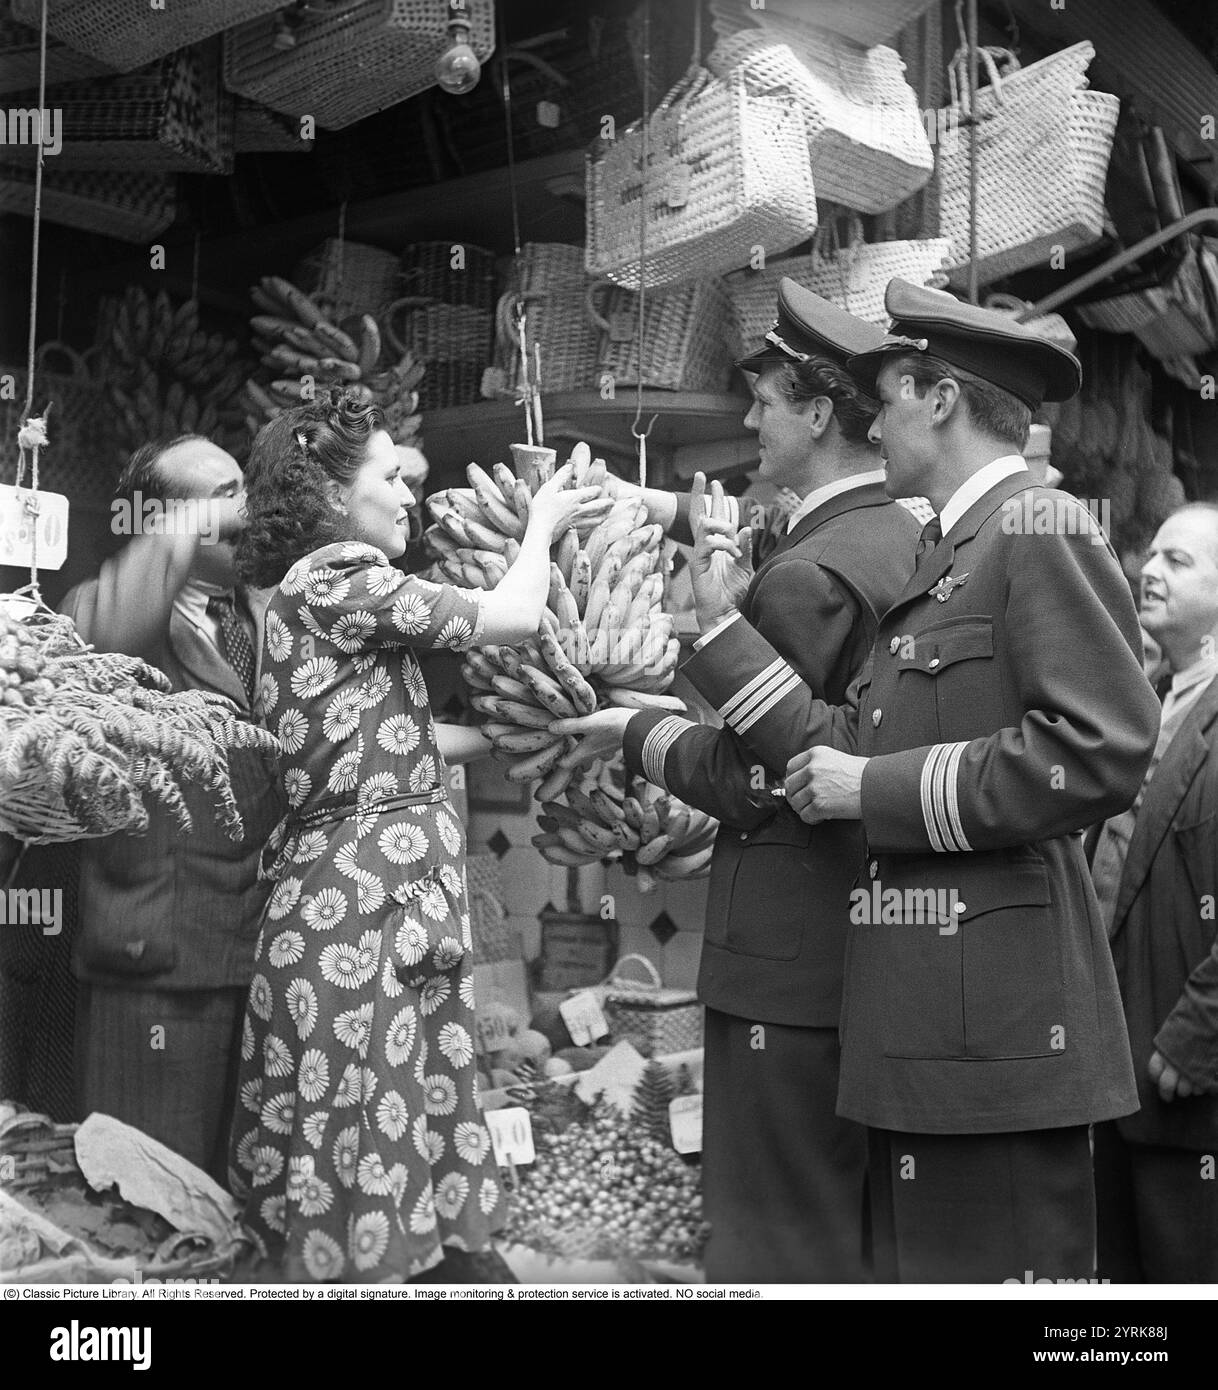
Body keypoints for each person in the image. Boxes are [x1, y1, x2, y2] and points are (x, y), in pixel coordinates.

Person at [693, 279, 1159, 1282]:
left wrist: (879, 790)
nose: (875, 420)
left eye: (889, 395)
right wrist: (727, 636)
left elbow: (1105, 745)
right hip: (925, 1032)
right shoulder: (945, 550)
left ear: (938, 396)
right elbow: (862, 734)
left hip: (993, 1032)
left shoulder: (1038, 524)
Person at [553, 282, 920, 1281]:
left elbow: (767, 776)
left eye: (765, 399)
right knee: (844, 1221)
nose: (749, 419)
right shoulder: (895, 539)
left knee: (771, 1229)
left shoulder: (811, 575)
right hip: (866, 959)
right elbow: (766, 539)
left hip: (788, 969)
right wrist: (653, 505)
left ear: (818, 410)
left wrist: (640, 731)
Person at [228, 388, 601, 1281]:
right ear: (326, 496)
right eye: (392, 477)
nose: (411, 498)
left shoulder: (302, 604)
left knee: (381, 1126)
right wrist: (541, 524)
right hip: (358, 919)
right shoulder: (336, 577)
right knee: (365, 1132)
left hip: (364, 912)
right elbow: (510, 618)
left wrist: (548, 733)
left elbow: (397, 739)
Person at [60, 435, 283, 1181]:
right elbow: (101, 636)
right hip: (157, 964)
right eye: (223, 493)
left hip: (256, 956)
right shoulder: (105, 611)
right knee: (149, 1200)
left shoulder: (259, 616)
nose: (245, 507)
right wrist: (191, 522)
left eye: (242, 487)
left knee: (229, 1211)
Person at [1091, 502, 1218, 1282]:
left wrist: (1199, 1031)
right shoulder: (1148, 702)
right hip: (1117, 1073)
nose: (1149, 569)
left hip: (1186, 1086)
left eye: (1180, 562)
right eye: (1153, 555)